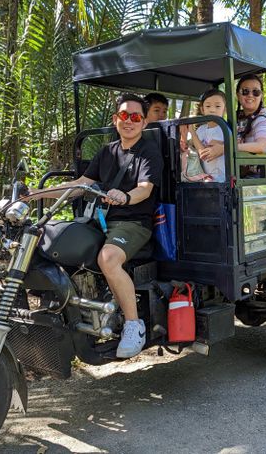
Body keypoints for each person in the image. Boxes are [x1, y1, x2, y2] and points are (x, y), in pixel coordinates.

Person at [27, 93, 162, 358]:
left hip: (133, 223)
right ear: (116, 119)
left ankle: (135, 325)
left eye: (136, 117)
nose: (129, 121)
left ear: (144, 123)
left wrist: (126, 196)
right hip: (101, 219)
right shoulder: (108, 151)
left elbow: (145, 189)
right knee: (51, 242)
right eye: (124, 116)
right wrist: (36, 193)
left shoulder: (149, 152)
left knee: (108, 258)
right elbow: (80, 185)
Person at [190, 88, 227, 182]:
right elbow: (191, 145)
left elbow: (204, 154)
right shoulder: (202, 129)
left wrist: (192, 131)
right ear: (202, 109)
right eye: (208, 106)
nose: (212, 110)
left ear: (225, 109)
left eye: (217, 106)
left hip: (220, 178)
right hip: (205, 177)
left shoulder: (223, 129)